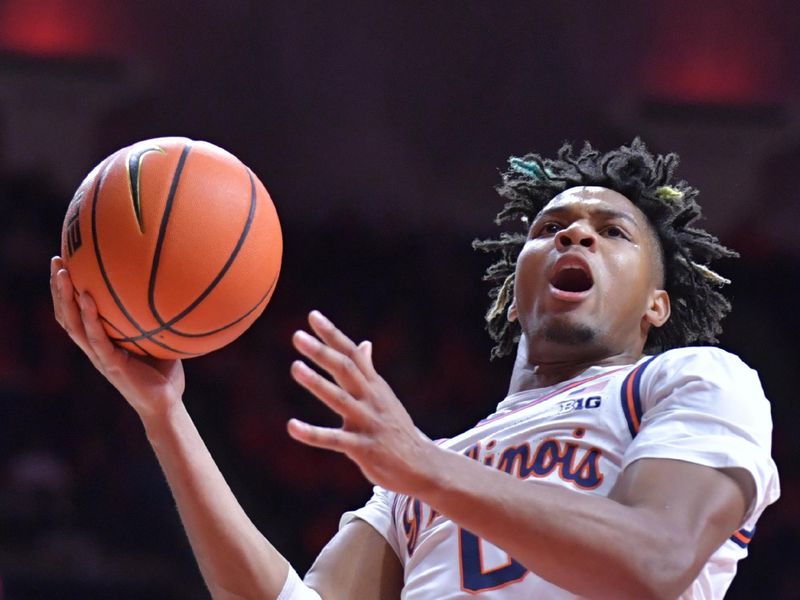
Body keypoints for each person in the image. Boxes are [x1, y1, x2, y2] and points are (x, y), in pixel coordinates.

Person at [50, 139, 779, 599]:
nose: (576, 233)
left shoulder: (694, 381)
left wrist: (422, 468)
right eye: (549, 228)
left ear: (657, 304)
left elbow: (655, 562)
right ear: (514, 283)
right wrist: (165, 415)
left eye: (611, 231)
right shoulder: (423, 472)